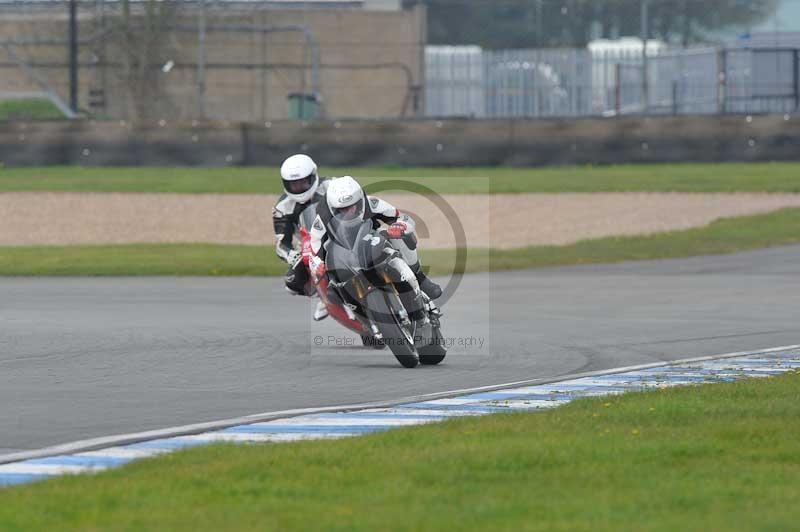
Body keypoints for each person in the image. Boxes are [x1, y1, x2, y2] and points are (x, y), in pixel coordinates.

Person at [307, 175, 442, 301]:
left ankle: (419, 277)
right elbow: (314, 248)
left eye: (352, 206)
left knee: (400, 236)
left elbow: (405, 219)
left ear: (360, 200)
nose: (349, 212)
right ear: (333, 208)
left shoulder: (372, 204)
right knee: (331, 293)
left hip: (373, 242)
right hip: (344, 255)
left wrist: (400, 226)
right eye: (343, 209)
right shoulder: (322, 220)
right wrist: (317, 265)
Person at [272, 154, 330, 321]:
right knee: (292, 283)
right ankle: (324, 296)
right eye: (293, 184)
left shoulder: (331, 185)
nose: (298, 187)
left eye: (302, 182)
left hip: (340, 234)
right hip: (309, 244)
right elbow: (281, 243)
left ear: (313, 177)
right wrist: (294, 256)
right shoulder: (282, 207)